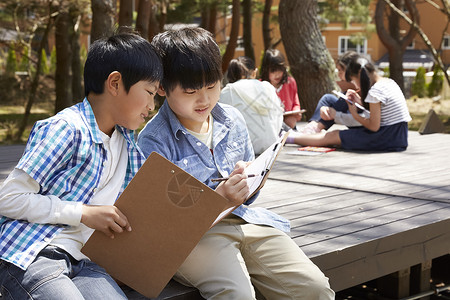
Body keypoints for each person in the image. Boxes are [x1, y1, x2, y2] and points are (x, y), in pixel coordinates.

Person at [137, 27, 334, 300]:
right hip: (194, 239)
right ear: (162, 87)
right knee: (237, 295)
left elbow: (248, 199)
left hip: (245, 221)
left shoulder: (232, 119)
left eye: (212, 86)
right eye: (191, 90)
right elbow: (161, 223)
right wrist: (219, 197)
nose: (204, 99)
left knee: (315, 289)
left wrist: (251, 183)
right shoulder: (153, 141)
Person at [0, 28, 163, 299]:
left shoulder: (128, 145)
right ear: (115, 83)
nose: (152, 105)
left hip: (87, 262)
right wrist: (84, 213)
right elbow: (8, 198)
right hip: (34, 254)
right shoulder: (66, 128)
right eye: (149, 92)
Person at [290, 56, 412, 152]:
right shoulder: (388, 82)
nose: (355, 84)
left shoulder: (376, 91)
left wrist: (355, 114)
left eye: (354, 80)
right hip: (399, 135)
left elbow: (374, 126)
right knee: (334, 135)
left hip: (386, 137)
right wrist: (360, 103)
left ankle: (289, 138)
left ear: (360, 76)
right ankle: (295, 136)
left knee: (333, 136)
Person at [220, 56, 283, 155]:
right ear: (254, 72)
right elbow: (279, 116)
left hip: (243, 151)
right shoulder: (268, 87)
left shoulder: (228, 91)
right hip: (271, 146)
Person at [299, 51, 362, 135]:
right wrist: (325, 109)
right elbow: (339, 105)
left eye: (341, 71)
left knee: (346, 96)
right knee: (327, 98)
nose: (339, 74)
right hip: (350, 113)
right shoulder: (347, 83)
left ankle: (318, 127)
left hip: (361, 120)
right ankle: (313, 124)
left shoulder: (364, 82)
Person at [260, 49, 302, 130]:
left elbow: (295, 103)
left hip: (288, 122)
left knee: (291, 121)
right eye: (273, 71)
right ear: (266, 70)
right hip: (269, 123)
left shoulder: (290, 82)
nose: (277, 74)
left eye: (280, 70)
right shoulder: (261, 86)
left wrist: (296, 112)